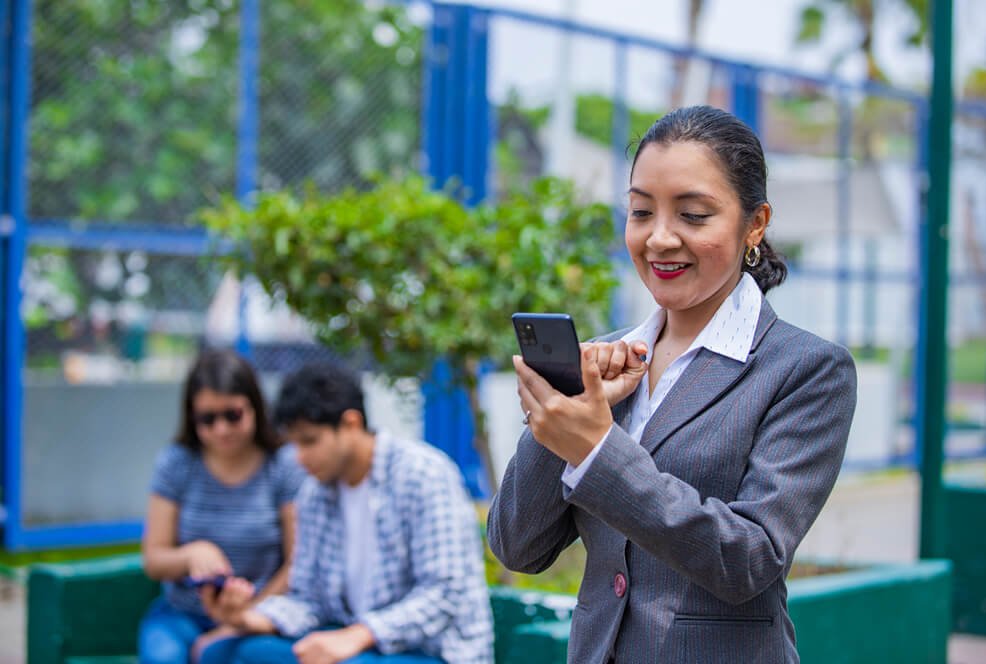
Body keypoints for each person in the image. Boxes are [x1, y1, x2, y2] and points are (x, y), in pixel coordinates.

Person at [487, 105, 858, 663]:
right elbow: (518, 546)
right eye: (641, 211)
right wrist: (557, 424)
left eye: (693, 214)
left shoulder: (806, 370)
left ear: (754, 224)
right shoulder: (608, 363)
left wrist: (595, 449)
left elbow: (749, 559)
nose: (659, 238)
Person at [200, 362, 493, 664]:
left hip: (431, 652)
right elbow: (307, 599)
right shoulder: (315, 492)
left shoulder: (423, 474)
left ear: (351, 424)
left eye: (310, 441)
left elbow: (444, 593)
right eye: (293, 444)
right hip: (356, 646)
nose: (300, 457)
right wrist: (244, 619)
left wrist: (357, 636)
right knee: (226, 653)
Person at [139, 349, 306, 664]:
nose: (222, 429)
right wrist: (191, 554)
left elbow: (296, 564)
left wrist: (243, 618)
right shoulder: (177, 462)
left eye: (232, 415)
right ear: (192, 417)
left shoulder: (283, 466)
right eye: (208, 418)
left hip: (260, 615)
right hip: (181, 614)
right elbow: (154, 559)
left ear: (254, 408)